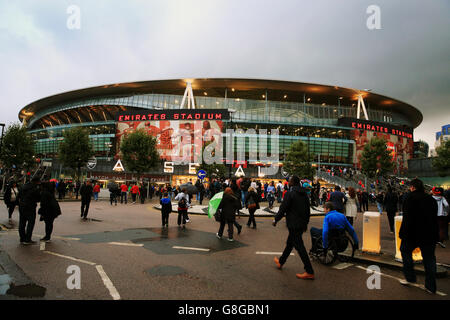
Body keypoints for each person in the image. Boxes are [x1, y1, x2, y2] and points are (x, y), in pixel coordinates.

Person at [399, 178, 439, 294]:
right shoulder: (431, 199)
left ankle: (410, 277)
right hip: (429, 234)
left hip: (411, 233)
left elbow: (407, 217)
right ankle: (431, 286)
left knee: (405, 251)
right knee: (429, 258)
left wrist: (403, 233)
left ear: (412, 187)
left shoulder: (409, 198)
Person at [272, 176, 314, 280]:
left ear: (292, 183)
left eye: (289, 180)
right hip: (301, 224)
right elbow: (307, 211)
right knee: (290, 244)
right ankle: (281, 262)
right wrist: (306, 223)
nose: (288, 182)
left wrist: (276, 219)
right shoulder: (304, 194)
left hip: (293, 224)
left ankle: (309, 271)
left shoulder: (290, 194)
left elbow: (283, 209)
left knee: (300, 247)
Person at [17, 176, 41, 245]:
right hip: (30, 207)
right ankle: (27, 239)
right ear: (36, 182)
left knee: (22, 223)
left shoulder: (23, 186)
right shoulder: (34, 188)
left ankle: (22, 238)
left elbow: (18, 196)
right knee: (30, 223)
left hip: (22, 206)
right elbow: (38, 199)